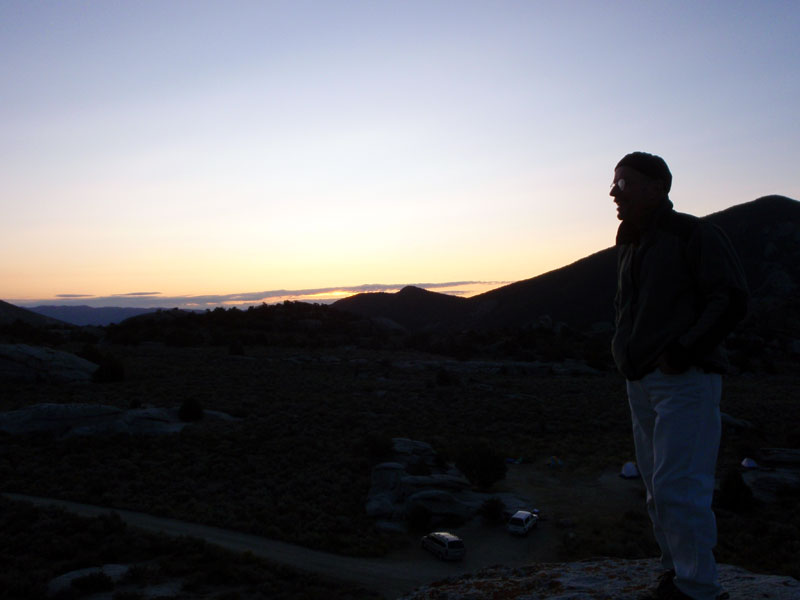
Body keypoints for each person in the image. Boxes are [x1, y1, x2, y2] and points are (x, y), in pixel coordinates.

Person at [609, 152, 748, 600]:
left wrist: (684, 350)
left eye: (624, 183)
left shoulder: (694, 234)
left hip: (684, 378)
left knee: (679, 487)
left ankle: (699, 589)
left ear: (657, 188)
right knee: (655, 489)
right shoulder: (630, 241)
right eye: (614, 183)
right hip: (642, 381)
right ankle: (676, 574)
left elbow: (729, 298)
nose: (614, 192)